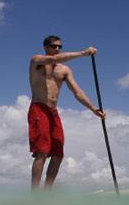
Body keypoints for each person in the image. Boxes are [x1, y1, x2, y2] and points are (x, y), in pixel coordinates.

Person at [28, 35, 106, 190]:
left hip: (53, 112)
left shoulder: (64, 70)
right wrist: (83, 53)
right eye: (53, 46)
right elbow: (52, 60)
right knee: (42, 151)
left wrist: (94, 109)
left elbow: (77, 92)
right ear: (45, 47)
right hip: (38, 108)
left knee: (58, 154)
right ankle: (34, 195)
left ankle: (47, 193)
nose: (56, 49)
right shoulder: (37, 60)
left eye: (59, 47)